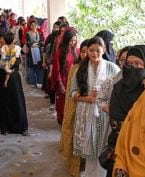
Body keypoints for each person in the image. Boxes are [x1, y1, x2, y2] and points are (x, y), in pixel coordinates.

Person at [101, 45, 145, 177]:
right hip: (121, 149)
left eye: (138, 63)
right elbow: (116, 121)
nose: (132, 68)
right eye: (129, 63)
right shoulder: (119, 88)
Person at [70, 37, 120, 177]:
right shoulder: (80, 68)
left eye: (98, 50)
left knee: (102, 147)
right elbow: (73, 92)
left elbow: (118, 92)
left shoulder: (113, 68)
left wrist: (104, 97)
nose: (94, 54)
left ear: (104, 50)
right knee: (90, 146)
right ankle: (90, 173)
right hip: (85, 112)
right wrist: (88, 98)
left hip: (104, 113)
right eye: (91, 50)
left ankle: (101, 174)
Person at [59, 39, 89, 177]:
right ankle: (76, 168)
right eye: (82, 51)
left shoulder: (101, 68)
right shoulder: (75, 68)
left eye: (88, 51)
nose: (85, 55)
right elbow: (71, 95)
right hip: (77, 108)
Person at [0, 31, 29, 136]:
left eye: (2, 40)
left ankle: (21, 127)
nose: (0, 42)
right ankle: (5, 127)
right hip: (1, 79)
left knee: (17, 101)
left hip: (13, 80)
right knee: (4, 103)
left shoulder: (15, 49)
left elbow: (16, 64)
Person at [50, 28, 78, 125]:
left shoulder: (76, 51)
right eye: (71, 40)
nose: (73, 42)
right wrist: (60, 83)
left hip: (72, 80)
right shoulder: (60, 51)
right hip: (62, 80)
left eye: (74, 40)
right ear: (66, 40)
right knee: (61, 101)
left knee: (71, 101)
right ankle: (61, 119)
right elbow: (56, 69)